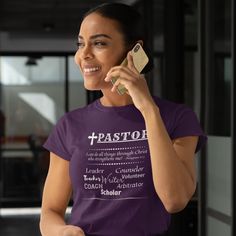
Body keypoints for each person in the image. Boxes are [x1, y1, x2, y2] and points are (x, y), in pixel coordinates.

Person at [39, 2, 207, 236]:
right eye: (80, 44)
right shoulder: (70, 125)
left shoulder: (177, 118)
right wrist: (62, 231)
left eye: (99, 43)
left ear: (135, 51)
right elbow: (50, 211)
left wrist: (148, 109)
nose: (84, 54)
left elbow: (175, 199)